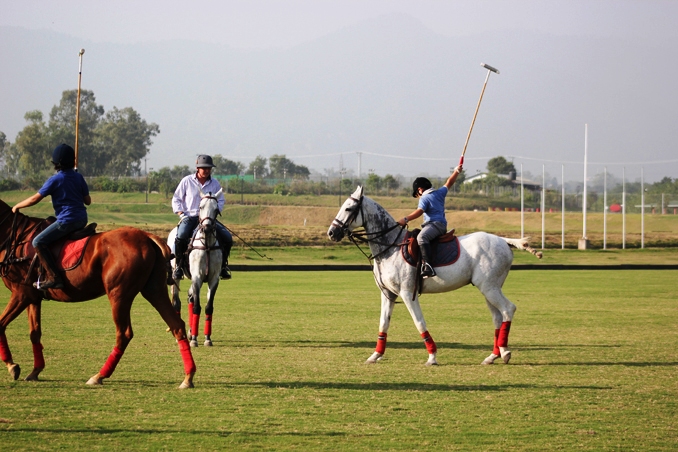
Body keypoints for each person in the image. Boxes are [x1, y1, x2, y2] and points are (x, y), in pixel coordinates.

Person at [12, 144, 91, 289]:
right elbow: (88, 201)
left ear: (55, 163)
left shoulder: (55, 180)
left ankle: (54, 277)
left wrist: (17, 206)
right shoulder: (78, 177)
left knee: (38, 241)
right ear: (73, 161)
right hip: (82, 219)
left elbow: (34, 199)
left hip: (67, 221)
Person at [172, 154, 233, 281]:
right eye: (203, 168)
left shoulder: (215, 183)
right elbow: (176, 199)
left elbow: (220, 200)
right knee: (181, 236)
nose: (206, 170)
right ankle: (178, 267)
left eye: (208, 168)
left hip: (208, 219)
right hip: (190, 217)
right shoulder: (187, 181)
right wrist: (181, 214)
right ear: (197, 168)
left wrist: (215, 211)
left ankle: (222, 267)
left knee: (227, 238)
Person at [397, 165, 463, 278]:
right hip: (441, 225)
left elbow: (419, 212)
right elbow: (449, 182)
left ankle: (428, 266)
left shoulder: (424, 198)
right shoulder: (439, 192)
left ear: (420, 189)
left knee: (421, 237)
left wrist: (405, 219)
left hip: (435, 225)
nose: (418, 197)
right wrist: (457, 171)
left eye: (417, 195)